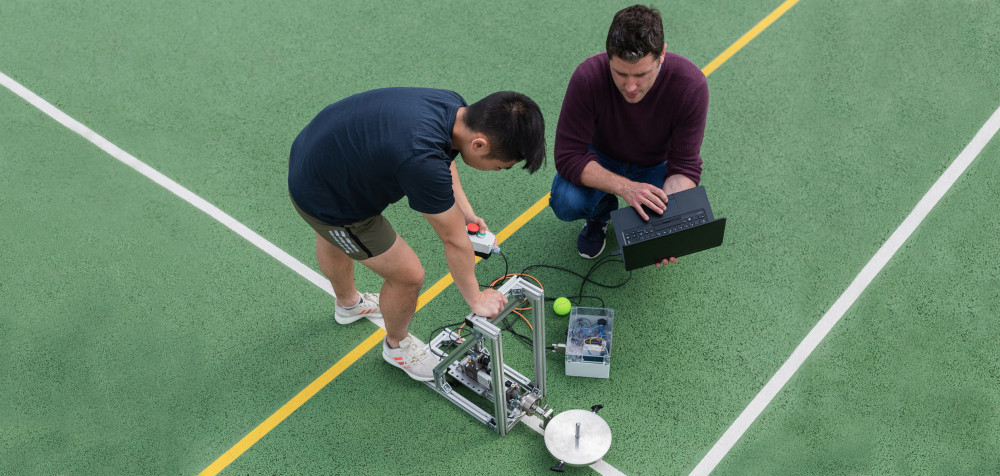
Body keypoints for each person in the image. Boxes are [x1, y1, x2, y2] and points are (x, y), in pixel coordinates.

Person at [288, 88, 546, 381]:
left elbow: (445, 158)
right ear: (479, 143)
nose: (498, 171)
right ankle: (397, 347)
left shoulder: (453, 107)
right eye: (500, 166)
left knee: (332, 239)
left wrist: (465, 212)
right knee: (408, 275)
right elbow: (453, 240)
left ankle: (349, 305)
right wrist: (476, 298)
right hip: (327, 199)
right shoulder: (420, 158)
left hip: (316, 152)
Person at [550, 4, 708, 264]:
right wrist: (626, 188)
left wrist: (670, 228)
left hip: (656, 164)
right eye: (620, 73)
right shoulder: (588, 77)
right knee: (566, 202)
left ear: (662, 54)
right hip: (601, 156)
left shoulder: (690, 85)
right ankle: (600, 215)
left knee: (663, 216)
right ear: (608, 56)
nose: (631, 86)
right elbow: (568, 156)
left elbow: (684, 166)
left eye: (642, 74)